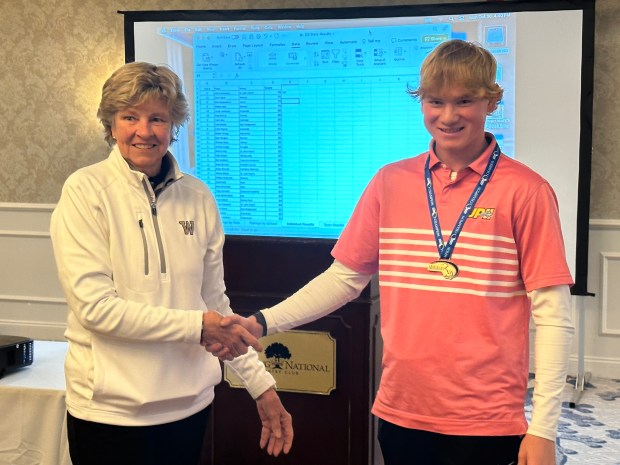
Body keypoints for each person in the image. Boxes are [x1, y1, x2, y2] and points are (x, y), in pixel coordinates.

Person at [217, 40, 574, 465]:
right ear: (421, 102)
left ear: (491, 102)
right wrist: (262, 322)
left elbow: (553, 315)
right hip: (402, 412)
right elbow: (343, 279)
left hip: (487, 422)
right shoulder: (391, 182)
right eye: (435, 101)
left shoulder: (527, 191)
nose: (448, 115)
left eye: (465, 100)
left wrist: (544, 429)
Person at [50, 61, 293, 465]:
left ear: (173, 126)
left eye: (157, 118)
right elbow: (96, 310)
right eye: (130, 117)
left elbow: (217, 307)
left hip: (187, 408)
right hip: (108, 415)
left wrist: (261, 387)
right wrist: (197, 326)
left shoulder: (198, 197)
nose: (144, 131)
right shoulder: (85, 192)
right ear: (111, 125)